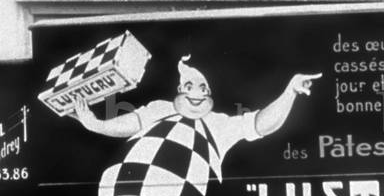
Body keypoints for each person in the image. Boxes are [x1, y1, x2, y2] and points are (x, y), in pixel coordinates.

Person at [73, 56, 320, 179]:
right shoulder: (159, 109)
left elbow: (262, 124)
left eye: (203, 88)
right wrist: (96, 125)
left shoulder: (219, 124)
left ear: (210, 94)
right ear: (179, 90)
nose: (196, 93)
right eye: (189, 86)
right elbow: (130, 124)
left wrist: (290, 92)